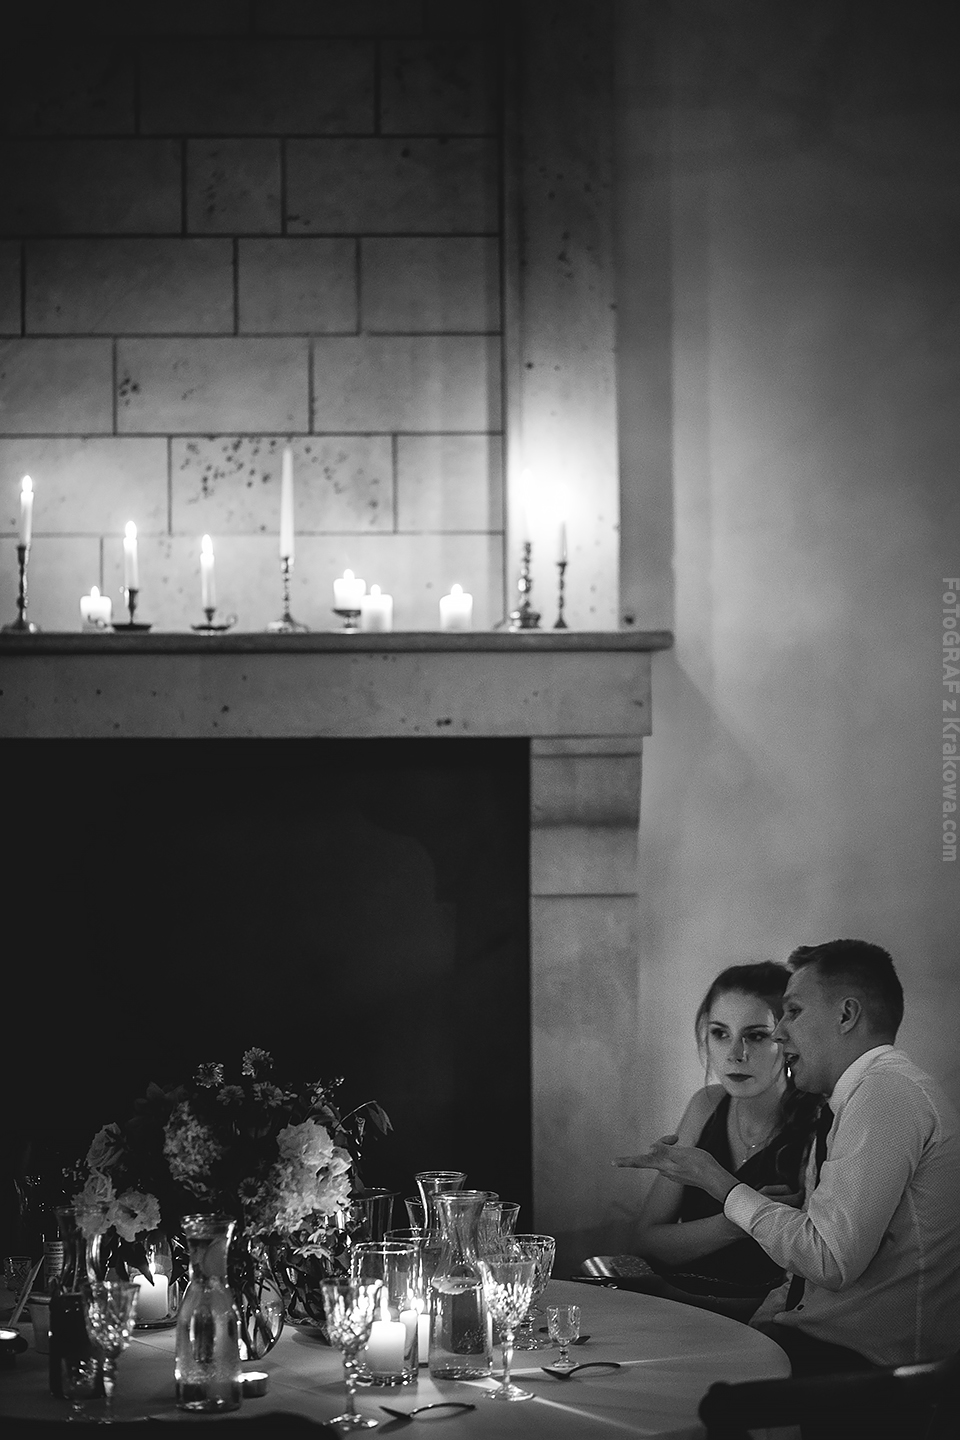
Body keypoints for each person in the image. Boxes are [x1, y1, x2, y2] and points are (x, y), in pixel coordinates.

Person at [615, 940, 960, 1377]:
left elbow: (828, 1261)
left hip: (868, 1369)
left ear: (846, 1015)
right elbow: (799, 1289)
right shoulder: (854, 1099)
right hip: (813, 1343)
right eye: (720, 1033)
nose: (781, 1033)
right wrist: (746, 1321)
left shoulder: (885, 1093)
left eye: (792, 1012)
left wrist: (718, 1183)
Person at [630, 962, 820, 1320]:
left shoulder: (815, 1124)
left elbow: (806, 1286)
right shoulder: (706, 1105)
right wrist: (734, 1224)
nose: (735, 1053)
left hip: (759, 1326)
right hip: (677, 1310)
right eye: (720, 1033)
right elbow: (646, 1241)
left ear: (787, 1037)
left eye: (756, 1036)